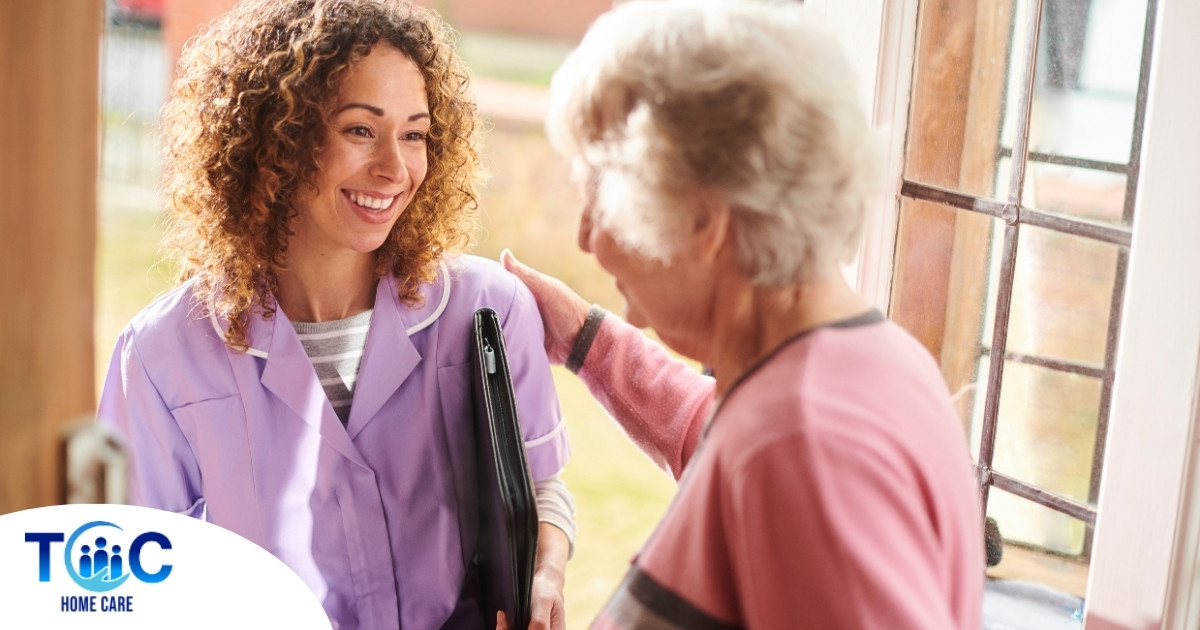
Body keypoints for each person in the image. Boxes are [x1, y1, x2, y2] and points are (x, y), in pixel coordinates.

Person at [500, 0, 985, 628]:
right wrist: (584, 338)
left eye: (601, 189)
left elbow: (782, 456)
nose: (587, 237)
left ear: (704, 219)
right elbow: (724, 433)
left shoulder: (803, 447)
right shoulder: (864, 364)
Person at [95, 1, 573, 628]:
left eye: (414, 134)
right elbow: (125, 586)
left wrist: (546, 574)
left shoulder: (488, 313)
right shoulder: (163, 356)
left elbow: (540, 490)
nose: (395, 169)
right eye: (360, 130)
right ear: (279, 138)